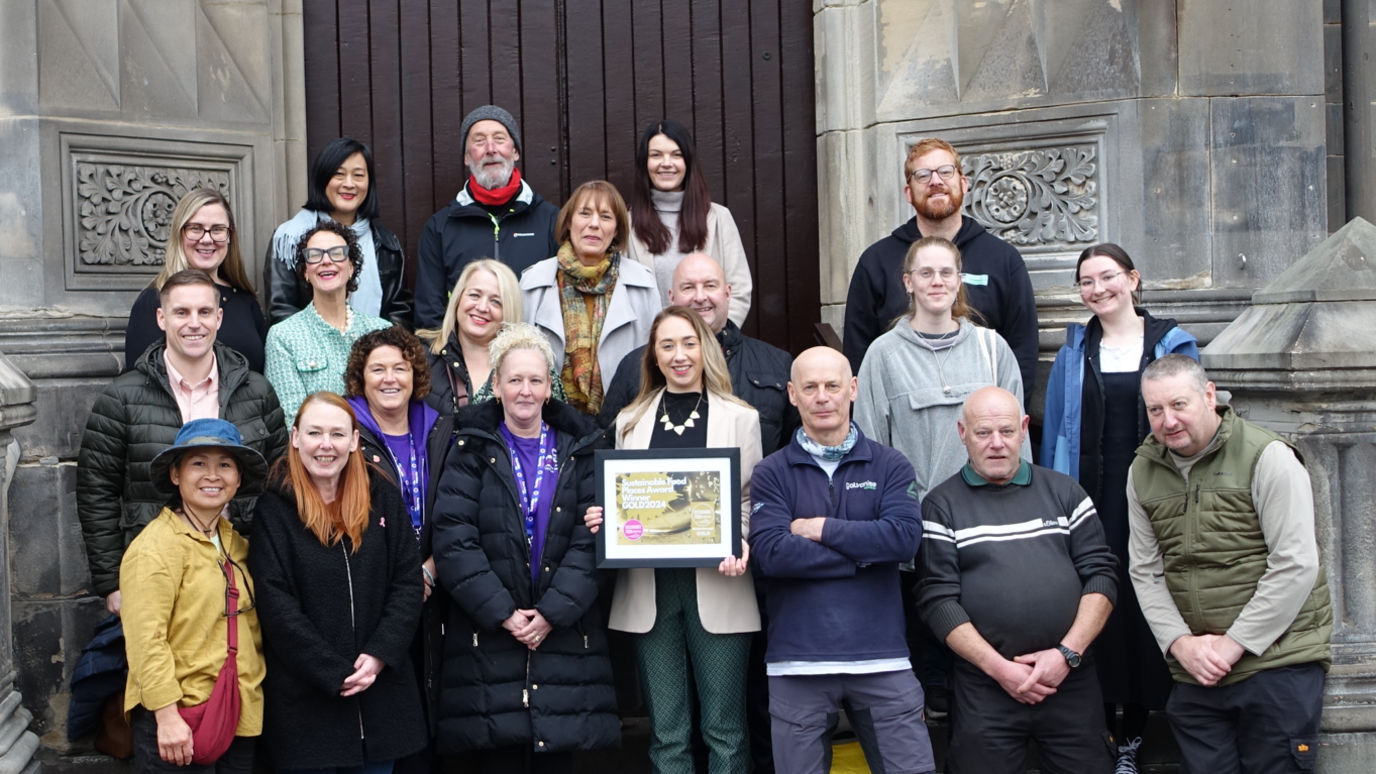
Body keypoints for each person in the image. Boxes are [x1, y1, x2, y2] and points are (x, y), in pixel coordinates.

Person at [597, 252, 794, 771]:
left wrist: (743, 539)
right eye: (667, 346)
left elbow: (753, 499)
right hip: (650, 589)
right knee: (667, 733)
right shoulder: (630, 421)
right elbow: (621, 497)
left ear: (704, 348)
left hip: (720, 585)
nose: (679, 355)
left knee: (725, 730)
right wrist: (606, 522)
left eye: (688, 343)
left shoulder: (741, 417)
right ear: (654, 357)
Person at [1128, 356, 1332, 773]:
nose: (1167, 421)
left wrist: (1232, 644)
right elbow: (1144, 571)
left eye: (1179, 404)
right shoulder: (1142, 470)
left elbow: (1295, 563)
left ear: (1209, 396)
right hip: (1197, 672)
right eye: (1155, 410)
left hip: (1276, 662)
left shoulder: (1267, 456)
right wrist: (1179, 644)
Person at [853, 234, 1028, 719]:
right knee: (931, 678)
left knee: (987, 664)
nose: (936, 282)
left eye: (946, 273)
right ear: (907, 282)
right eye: (925, 273)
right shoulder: (882, 356)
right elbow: (869, 451)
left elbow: (1020, 446)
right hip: (919, 542)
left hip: (989, 534)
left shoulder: (993, 350)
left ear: (959, 282)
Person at [431, 323, 618, 772]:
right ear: (495, 385)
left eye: (535, 380)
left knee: (557, 758)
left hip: (564, 635)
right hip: (490, 636)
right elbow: (455, 537)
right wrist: (504, 614)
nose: (525, 391)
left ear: (549, 387)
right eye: (514, 379)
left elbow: (592, 538)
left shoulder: (584, 447)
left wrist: (552, 613)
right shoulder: (469, 446)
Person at [1041, 244, 1199, 768]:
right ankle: (1101, 732)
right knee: (1095, 604)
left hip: (1155, 497)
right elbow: (1056, 436)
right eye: (1086, 281)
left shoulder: (1173, 345)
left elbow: (1192, 419)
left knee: (1141, 609)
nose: (1098, 288)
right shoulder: (1073, 351)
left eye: (1107, 276)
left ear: (1133, 279)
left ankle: (1133, 734)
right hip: (1092, 497)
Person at [750, 347, 936, 774]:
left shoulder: (890, 465)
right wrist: (864, 555)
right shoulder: (771, 472)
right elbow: (773, 553)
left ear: (851, 389)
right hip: (797, 659)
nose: (823, 397)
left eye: (832, 385)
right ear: (792, 395)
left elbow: (904, 540)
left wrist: (820, 528)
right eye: (810, 387)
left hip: (882, 656)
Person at [917, 387, 1118, 774]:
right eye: (983, 433)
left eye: (1007, 431)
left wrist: (1066, 654)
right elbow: (937, 601)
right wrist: (1000, 669)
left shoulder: (1065, 493)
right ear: (962, 432)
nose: (996, 444)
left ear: (1024, 429)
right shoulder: (941, 506)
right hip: (985, 686)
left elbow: (1102, 576)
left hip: (1069, 680)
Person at [78, 269, 288, 617]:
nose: (195, 323)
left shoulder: (257, 391)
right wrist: (111, 582)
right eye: (182, 312)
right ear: (162, 317)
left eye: (204, 312)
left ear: (219, 317)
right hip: (157, 571)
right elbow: (96, 492)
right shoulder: (121, 397)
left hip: (243, 564)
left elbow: (281, 481)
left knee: (244, 667)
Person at [249, 392, 426, 773]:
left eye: (337, 434)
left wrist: (380, 653)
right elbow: (275, 604)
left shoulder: (382, 497)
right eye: (314, 433)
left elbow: (407, 582)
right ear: (295, 438)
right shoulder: (274, 509)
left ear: (354, 441)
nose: (325, 445)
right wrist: (333, 671)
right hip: (308, 706)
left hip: (379, 700)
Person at [121, 418, 268, 773]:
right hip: (180, 720)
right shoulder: (154, 549)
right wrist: (167, 717)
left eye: (225, 465)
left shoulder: (237, 544)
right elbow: (146, 643)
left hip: (239, 713)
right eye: (199, 463)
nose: (212, 475)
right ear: (175, 475)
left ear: (238, 478)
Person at [342, 327, 456, 772]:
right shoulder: (345, 431)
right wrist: (405, 581)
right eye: (378, 369)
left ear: (415, 374)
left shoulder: (442, 427)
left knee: (431, 705)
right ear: (361, 377)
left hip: (436, 588)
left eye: (400, 368)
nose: (390, 379)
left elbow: (458, 510)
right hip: (375, 594)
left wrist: (430, 570)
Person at [842, 138, 1038, 397]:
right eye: (922, 175)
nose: (936, 181)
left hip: (982, 424)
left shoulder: (1003, 259)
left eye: (946, 172)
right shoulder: (876, 261)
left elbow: (1022, 349)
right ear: (909, 193)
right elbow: (858, 354)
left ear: (964, 183)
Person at [599, 252, 797, 455]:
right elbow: (607, 445)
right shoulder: (633, 365)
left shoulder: (777, 363)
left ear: (728, 293)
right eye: (688, 287)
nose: (700, 297)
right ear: (672, 298)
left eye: (710, 286)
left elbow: (794, 447)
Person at [521, 180, 660, 416]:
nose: (594, 224)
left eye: (605, 217)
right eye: (584, 213)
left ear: (616, 230)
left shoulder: (643, 284)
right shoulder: (534, 282)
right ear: (569, 222)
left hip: (623, 419)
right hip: (548, 422)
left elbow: (654, 363)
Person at [416, 105, 560, 329]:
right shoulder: (440, 228)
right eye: (479, 141)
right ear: (466, 156)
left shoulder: (552, 221)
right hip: (461, 360)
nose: (491, 149)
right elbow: (430, 315)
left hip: (533, 358)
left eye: (500, 139)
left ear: (515, 151)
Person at [266, 136, 414, 327]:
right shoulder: (288, 239)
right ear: (323, 179)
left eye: (359, 175)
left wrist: (379, 350)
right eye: (339, 174)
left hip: (375, 352)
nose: (349, 184)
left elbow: (400, 311)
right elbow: (281, 311)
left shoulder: (386, 243)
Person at [124, 188, 268, 373]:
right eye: (196, 229)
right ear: (179, 234)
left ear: (230, 235)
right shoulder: (153, 301)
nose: (207, 239)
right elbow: (138, 384)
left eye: (217, 229)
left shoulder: (246, 302)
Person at [626, 120, 752, 325]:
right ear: (644, 163)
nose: (666, 163)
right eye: (656, 155)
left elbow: (739, 289)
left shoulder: (719, 217)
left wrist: (711, 340)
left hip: (709, 345)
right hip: (648, 346)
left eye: (676, 155)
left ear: (688, 162)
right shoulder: (626, 223)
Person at [265, 220, 391, 425]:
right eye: (315, 255)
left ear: (351, 266)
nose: (326, 261)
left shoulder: (382, 331)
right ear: (305, 272)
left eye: (337, 252)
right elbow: (291, 422)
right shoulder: (283, 336)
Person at [417, 258, 565, 413]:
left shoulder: (534, 364)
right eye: (474, 295)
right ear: (458, 298)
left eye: (496, 302)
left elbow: (557, 430)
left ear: (509, 311)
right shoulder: (419, 357)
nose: (482, 307)